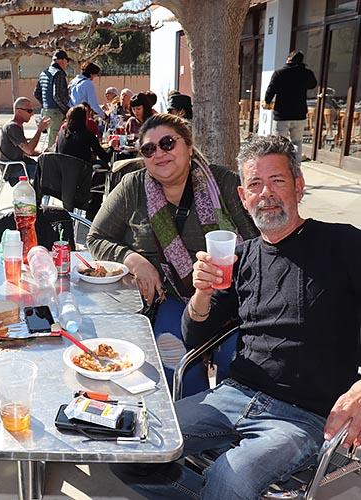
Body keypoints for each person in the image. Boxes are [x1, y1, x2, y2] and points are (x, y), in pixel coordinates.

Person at [112, 134, 361, 500]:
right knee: (129, 442)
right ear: (244, 197)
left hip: (302, 417)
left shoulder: (343, 244)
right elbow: (195, 338)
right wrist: (202, 291)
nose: (266, 193)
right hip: (233, 396)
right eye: (255, 184)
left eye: (277, 180)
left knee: (228, 480)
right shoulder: (240, 258)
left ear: (299, 186)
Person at [87, 113, 258, 395]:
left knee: (237, 361)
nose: (159, 153)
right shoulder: (133, 187)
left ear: (188, 146)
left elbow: (257, 242)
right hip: (172, 297)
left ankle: (227, 415)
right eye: (148, 149)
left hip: (231, 297)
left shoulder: (224, 183)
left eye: (167, 143)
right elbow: (96, 237)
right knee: (173, 358)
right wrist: (134, 260)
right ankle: (191, 415)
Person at [55, 105, 113, 220]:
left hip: (63, 177)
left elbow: (57, 152)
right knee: (101, 172)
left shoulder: (62, 133)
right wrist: (111, 146)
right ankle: (92, 213)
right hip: (82, 177)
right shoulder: (87, 135)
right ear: (84, 119)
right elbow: (105, 157)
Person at [263, 50, 317, 161]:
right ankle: (296, 166)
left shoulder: (279, 73)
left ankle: (280, 165)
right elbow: (313, 84)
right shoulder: (307, 73)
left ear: (289, 59)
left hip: (282, 114)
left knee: (279, 143)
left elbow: (271, 89)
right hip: (299, 113)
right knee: (297, 141)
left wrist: (267, 102)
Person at [0, 97, 51, 185]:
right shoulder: (13, 127)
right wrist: (39, 130)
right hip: (14, 169)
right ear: (18, 111)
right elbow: (29, 150)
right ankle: (40, 193)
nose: (32, 114)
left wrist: (42, 153)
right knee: (49, 174)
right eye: (29, 111)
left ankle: (39, 192)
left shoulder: (17, 125)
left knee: (48, 169)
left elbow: (25, 150)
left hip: (19, 164)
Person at [34, 50, 71, 147]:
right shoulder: (58, 73)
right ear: (62, 60)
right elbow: (57, 96)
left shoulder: (44, 73)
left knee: (50, 140)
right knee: (54, 143)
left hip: (46, 111)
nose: (67, 64)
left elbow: (36, 93)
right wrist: (67, 110)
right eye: (67, 61)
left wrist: (46, 104)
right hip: (56, 113)